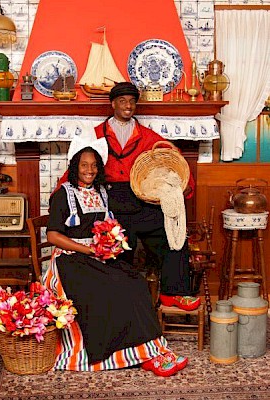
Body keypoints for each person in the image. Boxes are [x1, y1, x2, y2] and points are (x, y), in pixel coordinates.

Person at [45, 137, 188, 376]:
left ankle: (149, 350)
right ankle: (131, 352)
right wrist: (88, 249)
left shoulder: (102, 192)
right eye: (84, 165)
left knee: (135, 280)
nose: (89, 170)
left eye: (94, 165)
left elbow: (108, 226)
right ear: (74, 167)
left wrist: (109, 244)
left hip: (96, 257)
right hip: (70, 260)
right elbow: (52, 236)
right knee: (113, 287)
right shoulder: (63, 194)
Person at [53, 81, 200, 311]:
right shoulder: (96, 135)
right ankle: (118, 298)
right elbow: (77, 164)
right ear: (113, 104)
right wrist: (61, 192)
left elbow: (173, 158)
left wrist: (186, 187)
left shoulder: (147, 136)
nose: (128, 106)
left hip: (141, 198)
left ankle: (174, 292)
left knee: (173, 232)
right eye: (122, 101)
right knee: (117, 246)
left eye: (132, 101)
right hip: (110, 201)